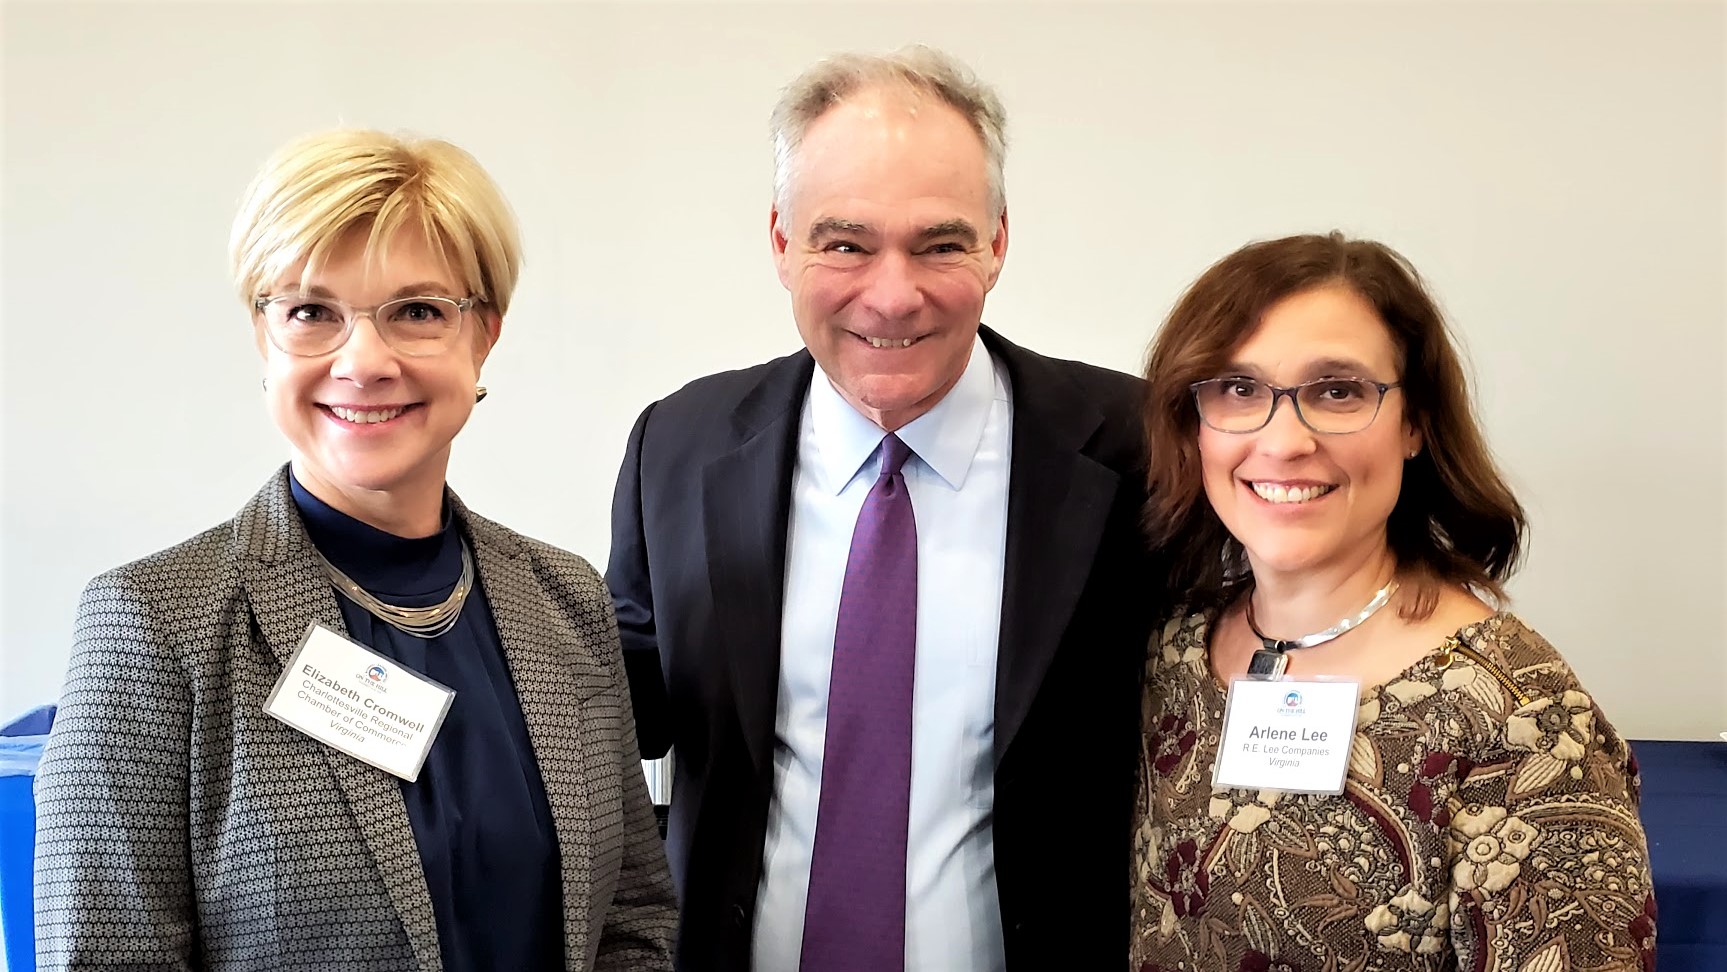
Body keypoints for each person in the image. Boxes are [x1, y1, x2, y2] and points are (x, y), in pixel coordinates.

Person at [33, 128, 677, 972]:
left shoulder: (565, 599)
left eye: (416, 311)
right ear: (265, 340)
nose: (363, 361)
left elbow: (632, 921)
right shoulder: (154, 624)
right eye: (311, 312)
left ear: (481, 335)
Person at [606, 46, 1161, 972]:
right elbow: (620, 701)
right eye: (846, 242)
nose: (893, 293)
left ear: (998, 243)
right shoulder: (681, 444)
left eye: (939, 244)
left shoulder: (1139, 450)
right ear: (781, 243)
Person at [1131, 232, 1656, 971]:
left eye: (1337, 390)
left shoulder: (1521, 723)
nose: (1283, 441)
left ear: (1414, 423)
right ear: (1192, 422)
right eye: (1238, 389)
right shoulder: (1168, 648)